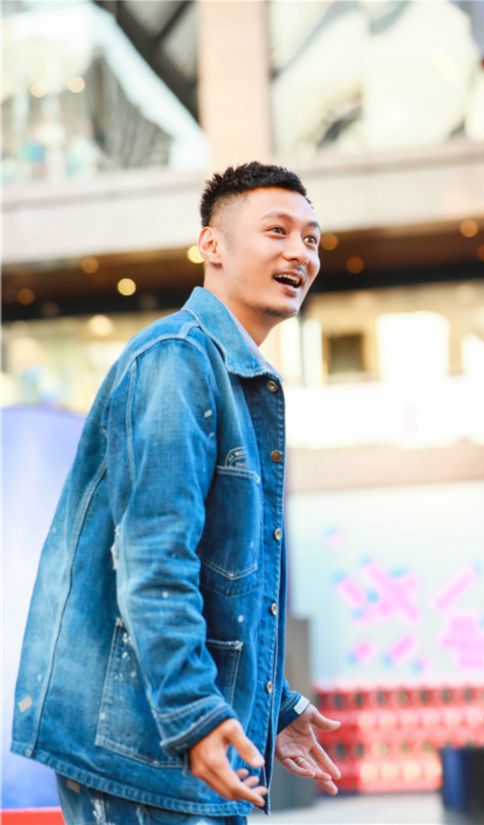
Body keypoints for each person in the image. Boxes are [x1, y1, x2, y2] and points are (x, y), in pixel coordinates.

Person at [11, 162, 342, 824]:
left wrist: (273, 705)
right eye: (277, 231)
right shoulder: (176, 359)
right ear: (211, 245)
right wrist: (195, 716)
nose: (300, 253)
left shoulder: (235, 378)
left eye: (311, 239)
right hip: (142, 751)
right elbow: (155, 562)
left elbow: (225, 584)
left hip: (185, 745)